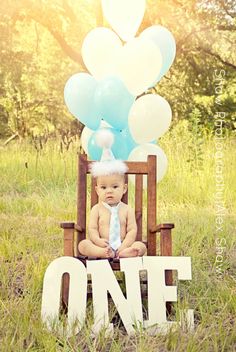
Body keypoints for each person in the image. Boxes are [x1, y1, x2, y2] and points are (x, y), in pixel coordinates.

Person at [78, 129, 147, 259]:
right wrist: (98, 242)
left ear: (124, 188)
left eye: (115, 187)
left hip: (124, 246)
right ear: (97, 190)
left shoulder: (127, 209)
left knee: (141, 246)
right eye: (104, 187)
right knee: (83, 244)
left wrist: (125, 245)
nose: (109, 191)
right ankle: (102, 254)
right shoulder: (96, 209)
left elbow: (132, 230)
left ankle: (124, 253)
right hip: (102, 246)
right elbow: (92, 229)